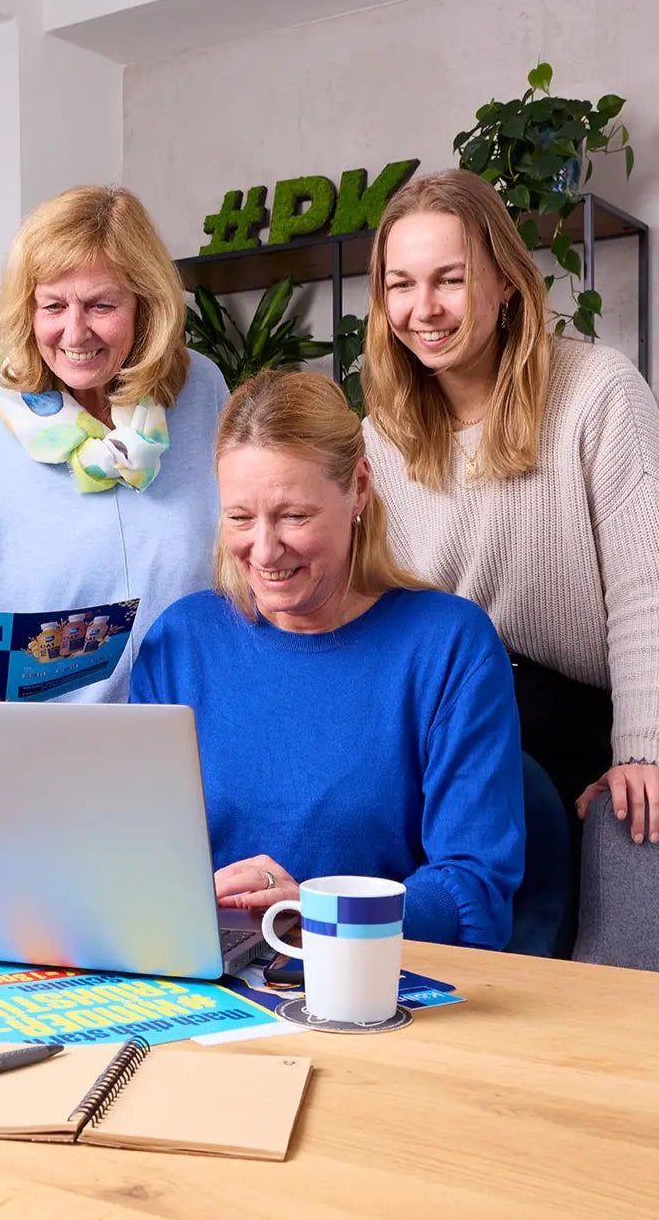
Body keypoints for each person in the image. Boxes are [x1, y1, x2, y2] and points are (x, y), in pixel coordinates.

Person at [130, 369, 526, 950]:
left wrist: (318, 911)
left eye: (294, 516)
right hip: (204, 987)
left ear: (358, 488)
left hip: (375, 984)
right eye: (240, 517)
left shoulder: (449, 647)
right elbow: (139, 861)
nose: (264, 550)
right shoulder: (180, 643)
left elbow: (474, 892)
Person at [361, 169, 659, 847]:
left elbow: (647, 588)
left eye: (449, 279)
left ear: (506, 282)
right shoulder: (381, 432)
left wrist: (642, 749)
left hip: (583, 731)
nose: (422, 309)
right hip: (451, 726)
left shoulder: (596, 390)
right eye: (401, 284)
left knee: (576, 946)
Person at [0, 185, 228, 701]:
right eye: (52, 305)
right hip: (36, 748)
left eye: (101, 305)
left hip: (199, 726)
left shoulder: (202, 390)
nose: (75, 333)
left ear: (146, 304)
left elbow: (244, 548)